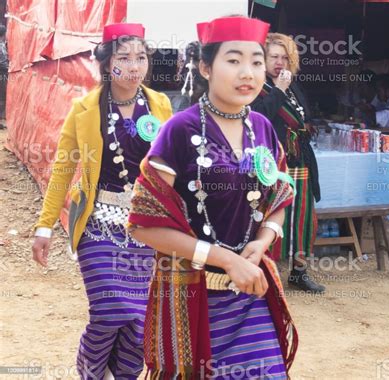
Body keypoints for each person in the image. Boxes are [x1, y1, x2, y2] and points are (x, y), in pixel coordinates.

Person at [127, 16, 298, 379]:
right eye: (233, 60)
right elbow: (143, 223)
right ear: (205, 67)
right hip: (192, 295)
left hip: (251, 294)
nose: (247, 73)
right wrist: (224, 258)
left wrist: (262, 241)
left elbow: (280, 196)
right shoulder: (179, 130)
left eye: (256, 61)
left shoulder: (263, 127)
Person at [31, 23, 172, 379]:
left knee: (139, 323)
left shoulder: (160, 105)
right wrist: (45, 226)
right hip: (98, 226)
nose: (134, 66)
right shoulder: (84, 109)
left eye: (141, 57)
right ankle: (91, 371)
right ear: (108, 64)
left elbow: (172, 166)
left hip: (145, 229)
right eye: (124, 57)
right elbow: (63, 171)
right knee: (111, 311)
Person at [251, 33, 325, 294]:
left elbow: (305, 116)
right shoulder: (256, 85)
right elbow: (260, 117)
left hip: (300, 158)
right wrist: (279, 90)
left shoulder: (293, 85)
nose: (280, 62)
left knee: (304, 216)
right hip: (271, 160)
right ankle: (263, 271)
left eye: (285, 57)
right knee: (268, 213)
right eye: (274, 57)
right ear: (263, 58)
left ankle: (299, 272)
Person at [0, 24, 8, 121]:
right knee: (2, 95)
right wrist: (9, 68)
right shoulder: (1, 46)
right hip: (2, 73)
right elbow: (2, 62)